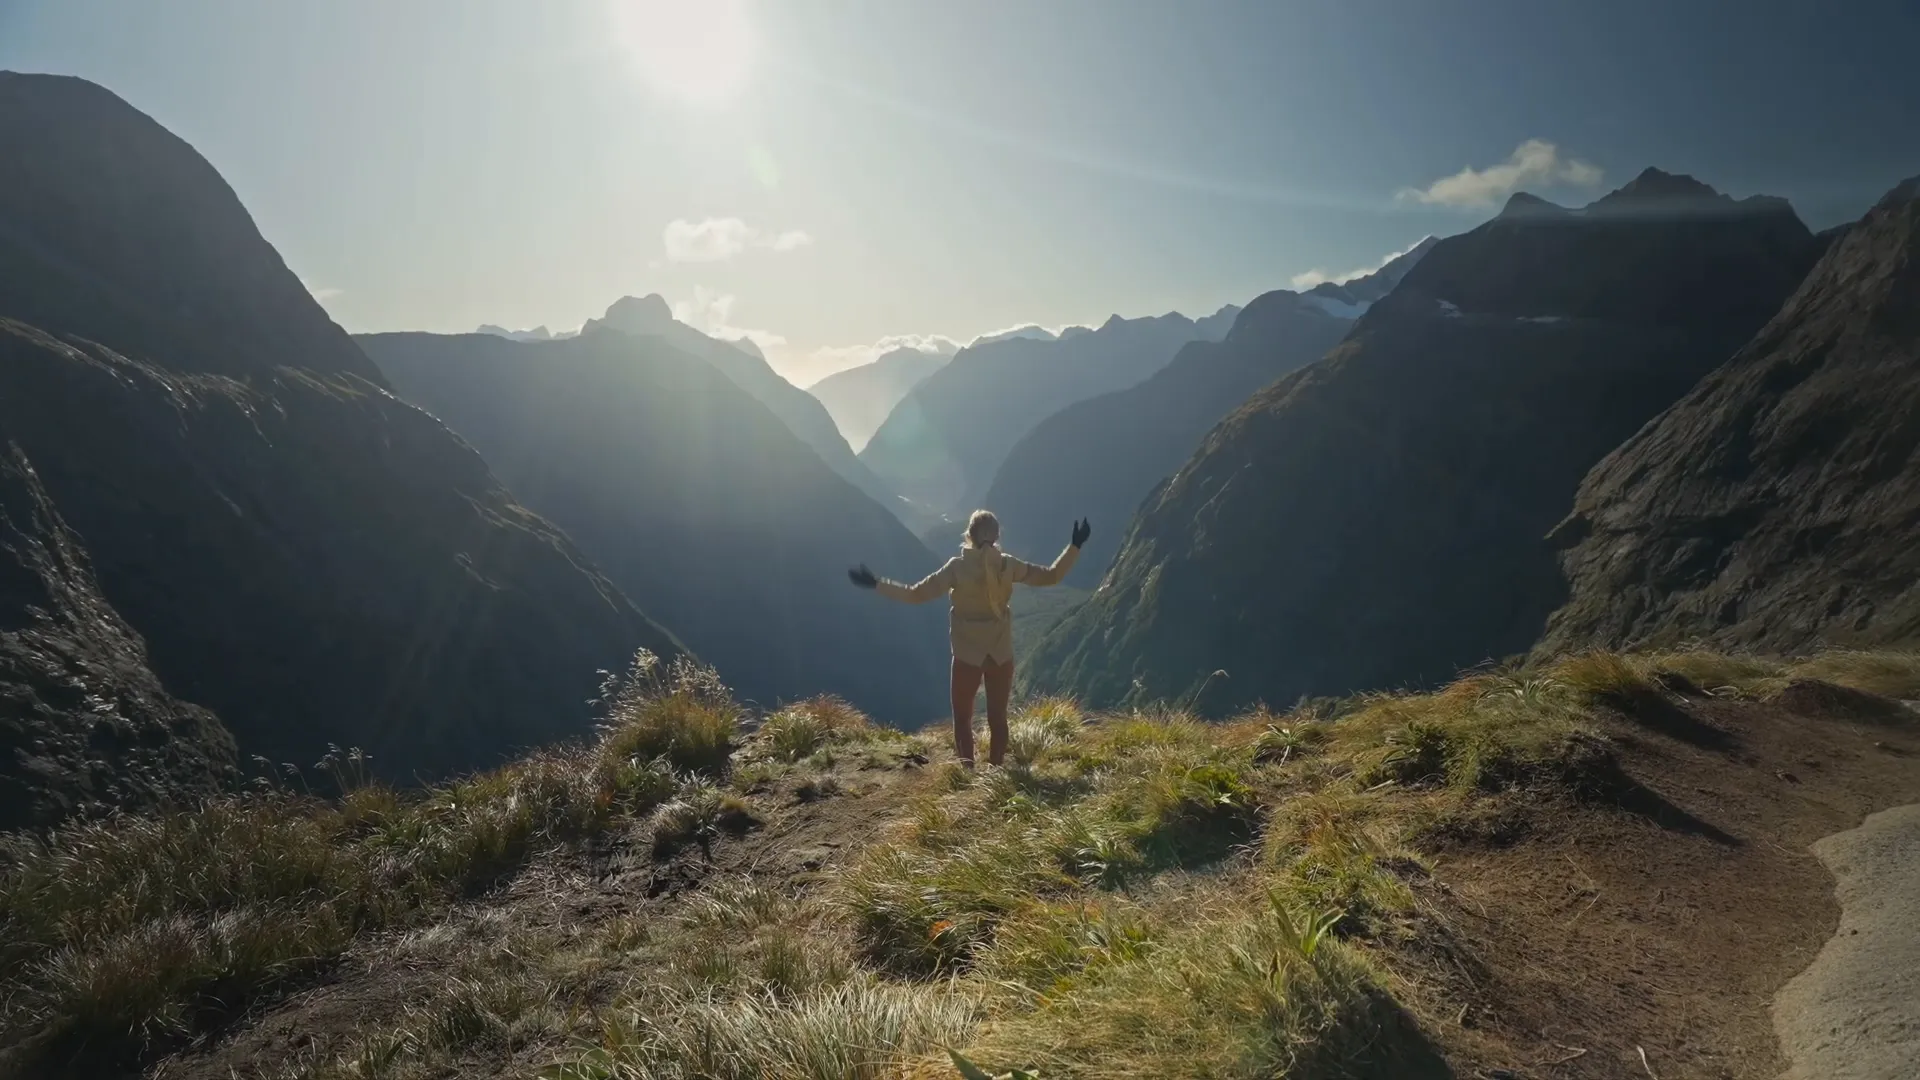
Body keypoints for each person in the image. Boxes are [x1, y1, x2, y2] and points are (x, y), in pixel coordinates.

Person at [849, 510, 1089, 767]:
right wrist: (1075, 546)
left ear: (969, 535)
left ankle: (967, 772)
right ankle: (995, 773)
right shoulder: (1008, 565)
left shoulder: (956, 568)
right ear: (997, 536)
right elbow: (1051, 576)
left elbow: (916, 594)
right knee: (998, 719)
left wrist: (877, 584)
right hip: (1001, 653)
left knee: (962, 718)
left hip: (967, 656)